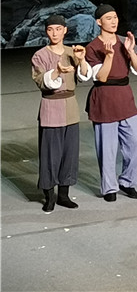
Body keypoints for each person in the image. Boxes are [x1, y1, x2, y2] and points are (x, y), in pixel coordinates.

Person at [85, 4, 137, 202]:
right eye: (108, 18)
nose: (113, 21)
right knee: (107, 148)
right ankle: (109, 187)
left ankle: (128, 181)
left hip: (125, 97)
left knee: (136, 144)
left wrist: (130, 51)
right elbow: (101, 77)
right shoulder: (92, 47)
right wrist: (109, 57)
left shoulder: (124, 41)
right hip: (105, 99)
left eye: (115, 17)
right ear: (99, 22)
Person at [31, 14, 91, 212]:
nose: (54, 33)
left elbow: (84, 75)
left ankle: (64, 195)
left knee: (69, 153)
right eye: (50, 29)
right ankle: (49, 196)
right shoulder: (40, 55)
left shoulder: (73, 51)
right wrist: (56, 71)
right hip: (51, 107)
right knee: (50, 154)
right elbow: (41, 81)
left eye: (58, 29)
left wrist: (81, 60)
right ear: (46, 32)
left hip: (70, 106)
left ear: (65, 30)